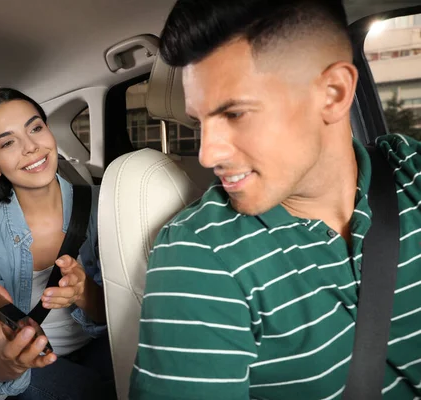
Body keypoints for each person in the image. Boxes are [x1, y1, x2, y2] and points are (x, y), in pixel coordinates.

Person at [129, 0, 421, 399]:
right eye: (200, 122)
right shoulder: (201, 253)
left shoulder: (412, 174)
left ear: (334, 94)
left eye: (235, 114)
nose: (207, 154)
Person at [0, 87, 116, 400]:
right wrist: (9, 361)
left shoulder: (106, 204)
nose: (31, 147)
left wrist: (85, 293)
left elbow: (117, 316)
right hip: (37, 368)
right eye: (7, 142)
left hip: (103, 345)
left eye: (35, 128)